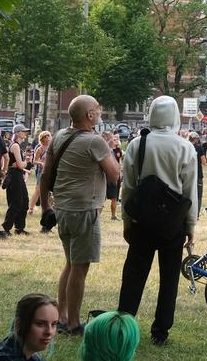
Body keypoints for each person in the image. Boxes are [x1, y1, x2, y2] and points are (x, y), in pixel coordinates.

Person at [117, 96, 197, 346]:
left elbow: (128, 187)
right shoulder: (185, 147)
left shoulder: (137, 144)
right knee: (169, 277)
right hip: (172, 223)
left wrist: (127, 221)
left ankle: (123, 325)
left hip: (142, 221)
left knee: (133, 276)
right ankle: (161, 331)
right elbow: (189, 191)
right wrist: (191, 225)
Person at [42, 94, 121, 336]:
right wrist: (109, 147)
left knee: (70, 264)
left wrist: (46, 207)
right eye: (97, 109)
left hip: (62, 209)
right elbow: (115, 174)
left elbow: (45, 175)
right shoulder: (94, 141)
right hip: (84, 211)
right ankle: (73, 323)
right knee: (79, 268)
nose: (100, 112)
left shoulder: (59, 136)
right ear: (89, 115)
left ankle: (62, 317)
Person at [0, 293, 59, 361]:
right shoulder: (4, 358)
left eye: (54, 324)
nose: (49, 332)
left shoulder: (30, 355)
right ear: (19, 324)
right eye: (40, 324)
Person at [3, 125, 32, 235]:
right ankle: (5, 228)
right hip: (14, 176)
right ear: (18, 132)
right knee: (16, 203)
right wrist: (26, 162)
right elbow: (20, 165)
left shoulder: (19, 146)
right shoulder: (15, 146)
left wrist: (22, 164)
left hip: (18, 175)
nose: (25, 133)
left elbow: (18, 165)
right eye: (24, 131)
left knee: (24, 202)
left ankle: (19, 228)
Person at [104, 132, 123, 221]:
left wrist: (120, 172)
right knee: (103, 196)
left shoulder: (118, 151)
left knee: (115, 196)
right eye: (114, 139)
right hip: (107, 175)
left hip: (116, 176)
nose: (115, 141)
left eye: (116, 139)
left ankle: (113, 215)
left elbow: (119, 162)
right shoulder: (106, 150)